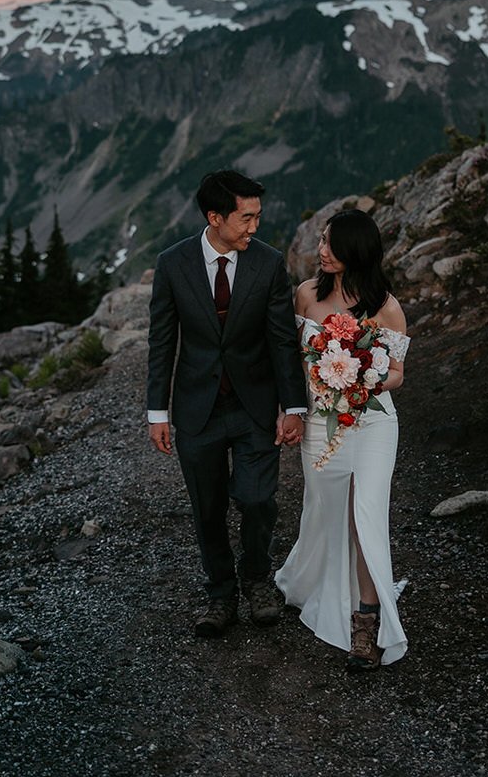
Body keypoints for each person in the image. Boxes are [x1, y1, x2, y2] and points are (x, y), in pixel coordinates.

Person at [147, 169, 308, 637]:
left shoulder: (268, 263)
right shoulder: (172, 263)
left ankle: (256, 578)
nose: (254, 228)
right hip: (197, 409)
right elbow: (162, 342)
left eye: (258, 217)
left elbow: (282, 340)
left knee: (258, 500)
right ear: (214, 217)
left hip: (255, 404)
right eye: (246, 218)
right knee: (207, 506)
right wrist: (157, 412)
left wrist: (293, 407)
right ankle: (220, 594)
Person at [275, 208, 409, 670]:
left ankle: (367, 624)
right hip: (319, 423)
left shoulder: (386, 307)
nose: (322, 249)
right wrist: (290, 410)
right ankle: (311, 582)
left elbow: (397, 374)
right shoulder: (306, 296)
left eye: (331, 243)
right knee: (323, 511)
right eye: (323, 241)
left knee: (365, 515)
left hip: (373, 423)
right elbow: (292, 362)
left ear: (357, 252)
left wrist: (362, 379)